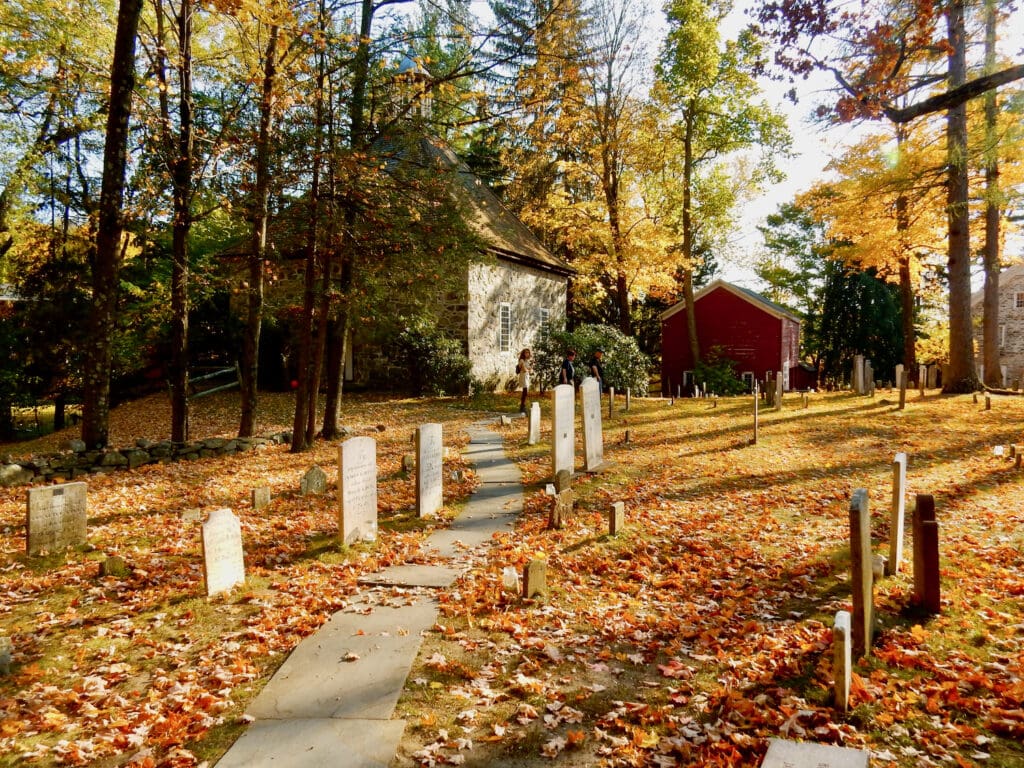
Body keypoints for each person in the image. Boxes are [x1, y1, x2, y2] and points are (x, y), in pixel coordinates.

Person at [516, 348, 532, 413]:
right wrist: (528, 370)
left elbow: (530, 369)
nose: (527, 354)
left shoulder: (527, 361)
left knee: (525, 392)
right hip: (523, 377)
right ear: (523, 353)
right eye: (526, 352)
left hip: (527, 377)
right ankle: (522, 406)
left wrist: (531, 366)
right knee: (525, 392)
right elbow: (524, 369)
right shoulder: (521, 360)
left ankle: (523, 405)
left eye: (528, 352)